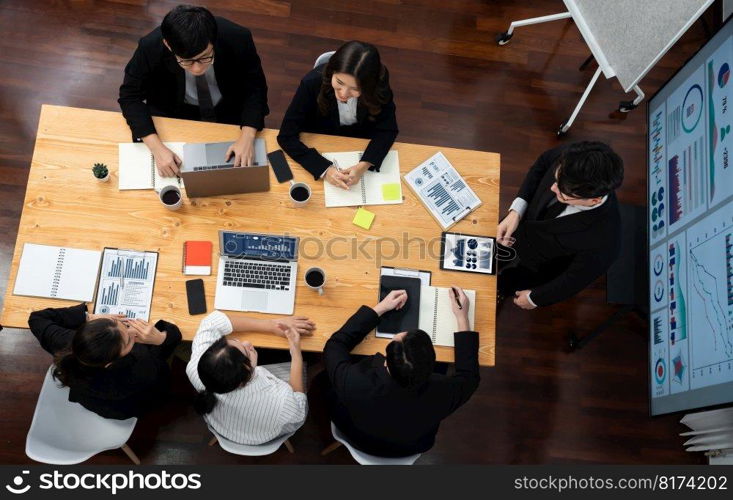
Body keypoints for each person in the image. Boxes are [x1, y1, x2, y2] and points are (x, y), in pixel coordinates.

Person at [322, 288, 479, 457]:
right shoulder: (444, 392)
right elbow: (470, 376)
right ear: (432, 363)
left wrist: (380, 308)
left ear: (386, 362)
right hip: (408, 447)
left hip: (358, 436)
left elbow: (335, 344)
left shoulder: (354, 381)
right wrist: (462, 318)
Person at [118, 5, 269, 176]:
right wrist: (156, 148)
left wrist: (247, 136)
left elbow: (255, 86)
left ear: (214, 40)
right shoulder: (150, 47)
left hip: (229, 110)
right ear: (168, 45)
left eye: (205, 57)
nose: (197, 69)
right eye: (186, 61)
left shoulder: (238, 37)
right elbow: (129, 96)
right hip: (175, 113)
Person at [496, 141, 624, 309]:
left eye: (563, 193)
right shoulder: (574, 156)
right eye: (556, 179)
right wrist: (516, 211)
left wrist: (535, 298)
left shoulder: (605, 240)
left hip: (538, 266)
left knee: (510, 282)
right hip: (516, 225)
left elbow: (573, 280)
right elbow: (542, 163)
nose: (553, 188)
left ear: (594, 200)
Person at [28, 303, 182, 420]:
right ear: (110, 363)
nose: (134, 331)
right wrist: (161, 339)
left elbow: (36, 318)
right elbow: (161, 372)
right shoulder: (140, 367)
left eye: (117, 323)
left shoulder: (66, 342)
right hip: (124, 406)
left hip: (89, 395)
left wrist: (87, 317)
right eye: (129, 340)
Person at [277, 40, 398, 189]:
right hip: (321, 136)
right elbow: (286, 136)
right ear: (332, 72)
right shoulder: (311, 83)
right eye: (339, 82)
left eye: (354, 88)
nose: (344, 94)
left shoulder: (379, 87)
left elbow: (388, 129)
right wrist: (325, 170)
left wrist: (364, 165)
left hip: (361, 139)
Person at [186, 311, 316, 445]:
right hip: (264, 436)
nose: (247, 342)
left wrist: (272, 325)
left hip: (225, 431)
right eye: (246, 351)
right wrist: (295, 350)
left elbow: (211, 322)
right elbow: (299, 406)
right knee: (308, 363)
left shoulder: (194, 368)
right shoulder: (279, 401)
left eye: (235, 340)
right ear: (247, 373)